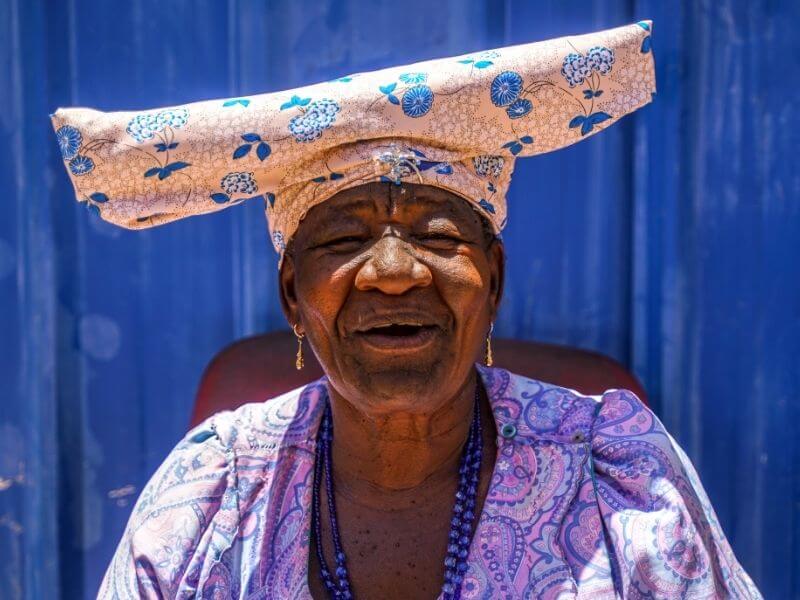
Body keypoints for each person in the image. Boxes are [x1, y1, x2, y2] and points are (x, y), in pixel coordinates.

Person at [52, 21, 761, 599]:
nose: (395, 272)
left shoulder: (619, 477)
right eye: (344, 238)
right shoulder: (210, 495)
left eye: (439, 235)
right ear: (292, 297)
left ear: (495, 282)